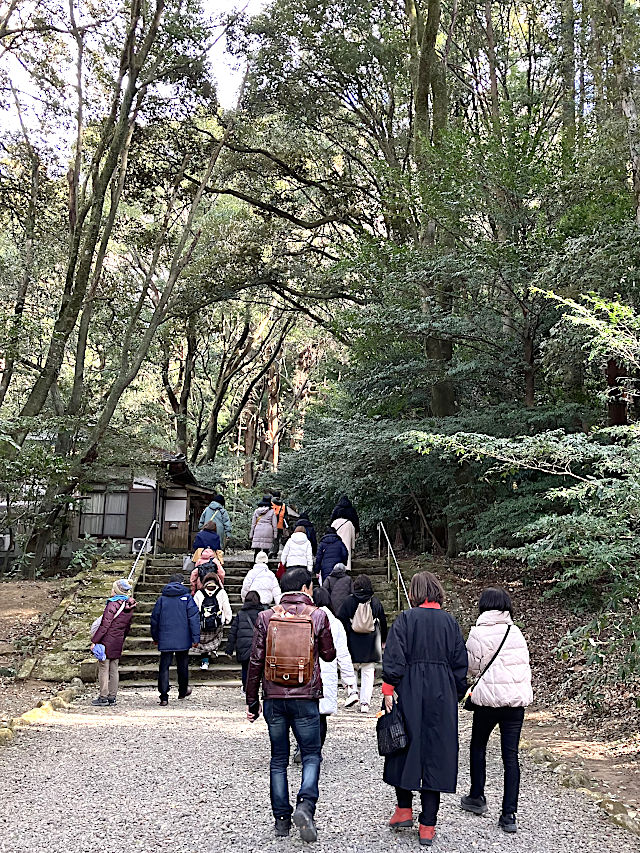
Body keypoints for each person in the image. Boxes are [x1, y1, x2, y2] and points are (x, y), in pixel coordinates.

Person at [246, 567, 337, 843]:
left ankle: (281, 820)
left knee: (278, 760)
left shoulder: (265, 616)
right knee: (311, 754)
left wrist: (252, 700)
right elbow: (329, 655)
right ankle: (306, 806)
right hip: (305, 697)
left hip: (273, 697)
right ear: (307, 587)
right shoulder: (317, 615)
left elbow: (255, 661)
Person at [382, 571, 468, 847]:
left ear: (416, 593)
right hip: (441, 692)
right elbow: (459, 662)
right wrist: (456, 692)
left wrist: (387, 690)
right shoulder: (450, 623)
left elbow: (394, 656)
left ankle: (403, 808)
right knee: (436, 752)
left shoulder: (407, 619)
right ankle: (428, 825)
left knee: (403, 745)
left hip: (410, 689)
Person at [460, 587, 533, 834]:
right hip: (514, 705)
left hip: (488, 703)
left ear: (483, 606)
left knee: (478, 746)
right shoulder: (517, 632)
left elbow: (469, 668)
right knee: (510, 757)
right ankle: (509, 815)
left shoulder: (478, 633)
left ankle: (477, 797)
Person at [338, 574, 387, 713]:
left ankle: (352, 693)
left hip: (352, 641)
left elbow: (340, 619)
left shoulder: (349, 601)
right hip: (371, 643)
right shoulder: (375, 602)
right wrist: (384, 639)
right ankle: (365, 703)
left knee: (351, 669)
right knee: (368, 672)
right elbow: (383, 621)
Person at [150, 573, 200, 706]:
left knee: (164, 666)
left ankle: (164, 696)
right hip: (183, 637)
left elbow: (154, 619)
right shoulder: (187, 598)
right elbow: (194, 619)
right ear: (182, 583)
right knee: (182, 665)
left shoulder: (162, 599)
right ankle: (182, 690)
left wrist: (155, 637)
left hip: (165, 637)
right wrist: (195, 638)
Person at [90, 579, 136, 707]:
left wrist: (95, 641)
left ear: (116, 591)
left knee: (104, 667)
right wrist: (122, 637)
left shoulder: (112, 604)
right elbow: (127, 626)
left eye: (113, 588)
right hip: (118, 639)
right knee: (114, 668)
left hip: (107, 640)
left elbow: (105, 625)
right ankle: (112, 696)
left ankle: (103, 696)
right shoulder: (128, 606)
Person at [226, 590, 266, 690]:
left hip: (244, 646)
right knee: (261, 669)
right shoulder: (264, 614)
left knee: (245, 669)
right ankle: (261, 689)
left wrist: (229, 650)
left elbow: (233, 632)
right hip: (260, 645)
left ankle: (246, 688)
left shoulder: (241, 614)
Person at [194, 571, 232, 669]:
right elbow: (226, 606)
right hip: (217, 622)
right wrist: (228, 618)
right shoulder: (221, 592)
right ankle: (213, 649)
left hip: (203, 622)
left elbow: (194, 609)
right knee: (215, 637)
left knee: (204, 641)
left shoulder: (199, 593)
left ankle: (205, 662)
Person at [329, 495, 358, 571]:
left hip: (337, 527)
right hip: (348, 527)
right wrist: (356, 532)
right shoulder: (351, 509)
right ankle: (347, 567)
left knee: (336, 547)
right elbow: (356, 521)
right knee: (347, 547)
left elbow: (331, 521)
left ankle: (336, 567)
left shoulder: (336, 509)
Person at [250, 495, 278, 559]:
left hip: (258, 529)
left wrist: (251, 534)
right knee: (266, 550)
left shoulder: (256, 511)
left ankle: (255, 563)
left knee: (257, 550)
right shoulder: (272, 511)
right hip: (268, 530)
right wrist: (275, 534)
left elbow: (253, 524)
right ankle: (265, 564)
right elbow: (274, 524)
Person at [270, 490, 288, 557]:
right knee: (277, 539)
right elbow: (286, 516)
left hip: (271, 525)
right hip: (280, 525)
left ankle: (270, 551)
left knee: (270, 539)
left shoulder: (270, 504)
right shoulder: (283, 505)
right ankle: (275, 553)